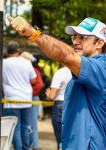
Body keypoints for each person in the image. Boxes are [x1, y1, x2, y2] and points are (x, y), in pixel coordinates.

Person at [8, 16, 106, 150]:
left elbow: (67, 56)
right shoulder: (77, 78)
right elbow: (72, 119)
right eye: (75, 37)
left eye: (83, 37)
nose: (76, 41)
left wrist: (33, 32)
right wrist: (62, 145)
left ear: (99, 43)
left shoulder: (101, 67)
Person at [0, 41, 37, 150]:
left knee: (15, 127)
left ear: (7, 52)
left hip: (11, 100)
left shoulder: (4, 63)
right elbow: (34, 80)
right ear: (19, 50)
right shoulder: (26, 62)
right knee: (25, 127)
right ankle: (26, 148)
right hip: (26, 99)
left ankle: (18, 148)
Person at [20, 51, 43, 150]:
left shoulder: (34, 70)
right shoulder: (24, 69)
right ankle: (28, 145)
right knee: (26, 124)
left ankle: (35, 146)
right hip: (25, 99)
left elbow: (39, 85)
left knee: (32, 124)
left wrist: (28, 92)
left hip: (32, 98)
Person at [45, 67, 72, 150]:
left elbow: (52, 96)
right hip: (75, 105)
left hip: (60, 105)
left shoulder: (60, 73)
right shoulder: (80, 70)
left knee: (61, 141)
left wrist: (48, 94)